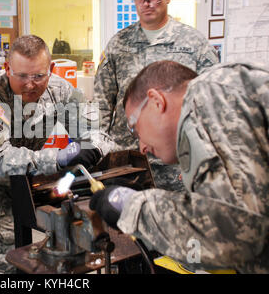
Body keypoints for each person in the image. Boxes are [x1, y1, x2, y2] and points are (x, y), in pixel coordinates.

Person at [0, 34, 114, 273]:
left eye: (38, 76)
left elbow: (97, 130)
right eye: (22, 76)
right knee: (6, 247)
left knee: (52, 235)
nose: (30, 84)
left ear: (51, 69)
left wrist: (92, 147)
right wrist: (57, 158)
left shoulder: (59, 89)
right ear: (8, 69)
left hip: (29, 176)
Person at [90, 60, 269, 273]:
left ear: (156, 101)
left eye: (135, 129)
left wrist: (133, 207)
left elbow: (237, 235)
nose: (142, 147)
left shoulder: (209, 93)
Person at [94, 0, 219, 191]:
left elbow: (211, 104)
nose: (146, 3)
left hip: (176, 163)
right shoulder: (118, 44)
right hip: (128, 162)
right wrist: (97, 148)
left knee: (174, 220)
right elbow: (101, 103)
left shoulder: (194, 44)